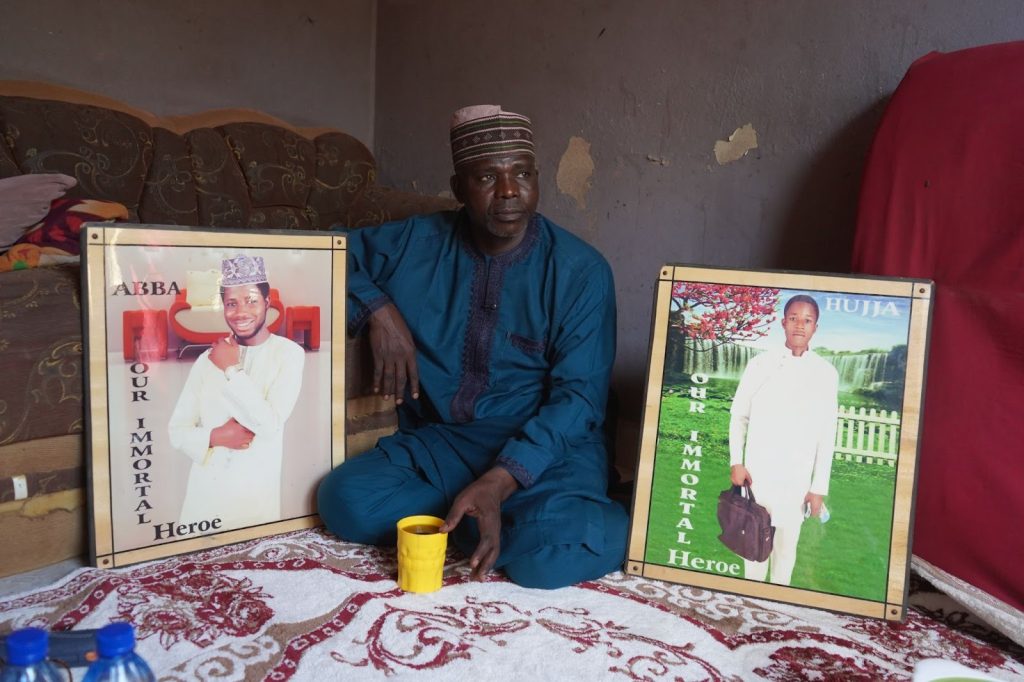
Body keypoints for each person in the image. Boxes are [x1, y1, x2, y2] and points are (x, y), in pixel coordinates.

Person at [317, 105, 628, 589]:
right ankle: (485, 519)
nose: (509, 192)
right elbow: (325, 252)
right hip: (448, 442)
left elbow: (580, 400)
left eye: (522, 173)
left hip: (546, 446)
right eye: (487, 176)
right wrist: (377, 308)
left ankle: (568, 510)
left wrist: (501, 479)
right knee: (345, 501)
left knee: (549, 563)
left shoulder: (581, 270)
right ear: (459, 187)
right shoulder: (416, 241)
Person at [168, 255, 305, 531]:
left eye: (251, 301)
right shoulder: (207, 359)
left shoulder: (289, 354)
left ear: (268, 304)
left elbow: (268, 426)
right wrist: (214, 436)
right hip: (203, 501)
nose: (241, 312)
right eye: (232, 303)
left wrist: (231, 370)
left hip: (255, 502)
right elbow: (176, 430)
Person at [728, 294, 838, 586]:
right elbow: (739, 416)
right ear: (783, 323)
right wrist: (736, 462)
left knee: (786, 551)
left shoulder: (826, 373)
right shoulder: (760, 365)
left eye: (807, 320)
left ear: (816, 327)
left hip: (797, 478)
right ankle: (749, 601)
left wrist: (818, 488)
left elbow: (827, 434)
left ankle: (778, 608)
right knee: (753, 549)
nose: (799, 326)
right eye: (793, 319)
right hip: (758, 474)